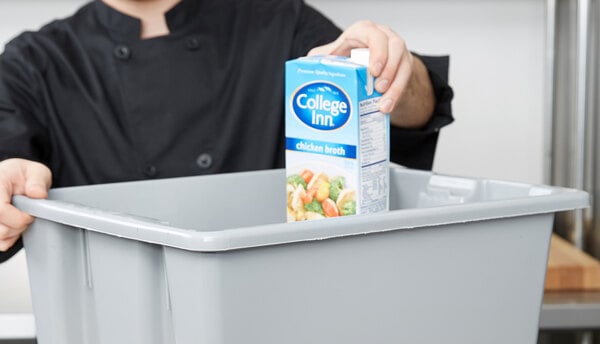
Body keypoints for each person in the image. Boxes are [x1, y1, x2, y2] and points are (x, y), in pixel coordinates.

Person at [0, 0, 453, 261]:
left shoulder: (279, 20)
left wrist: (396, 71)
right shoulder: (34, 63)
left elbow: (412, 114)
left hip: (272, 317)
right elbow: (7, 172)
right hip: (105, 338)